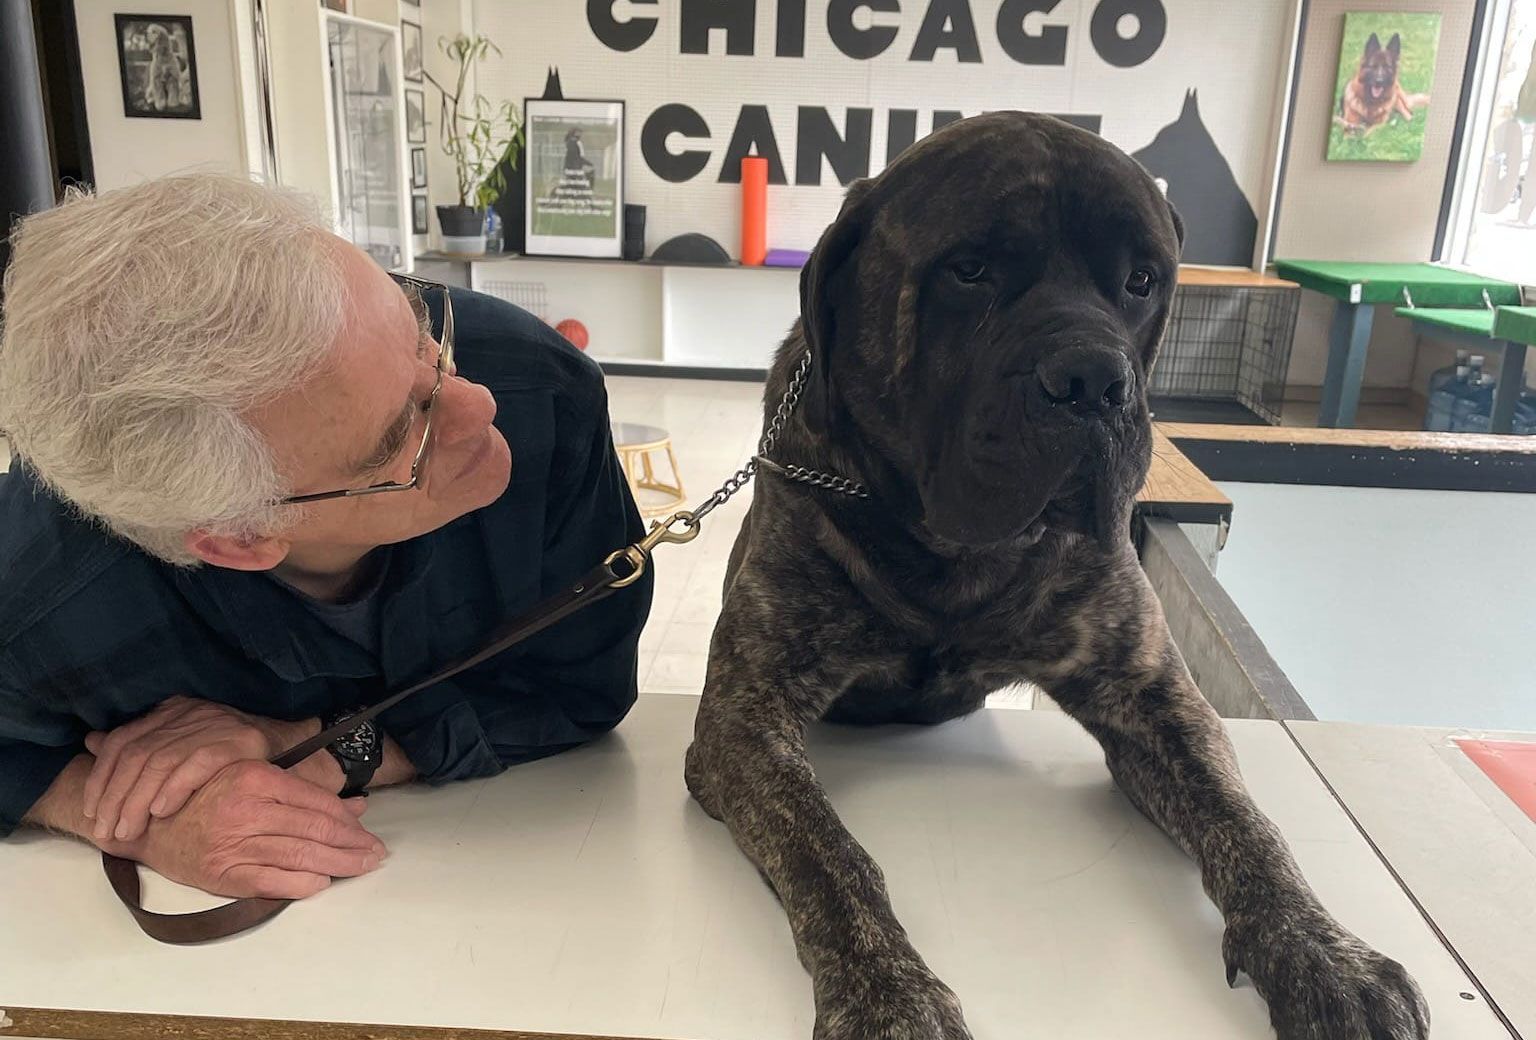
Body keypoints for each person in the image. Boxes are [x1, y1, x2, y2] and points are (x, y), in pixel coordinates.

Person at [0, 173, 653, 900]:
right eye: (402, 435)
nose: (480, 403)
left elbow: (582, 688)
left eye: (421, 336)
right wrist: (132, 813)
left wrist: (322, 748)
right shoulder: (38, 585)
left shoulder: (539, 386)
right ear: (241, 537)